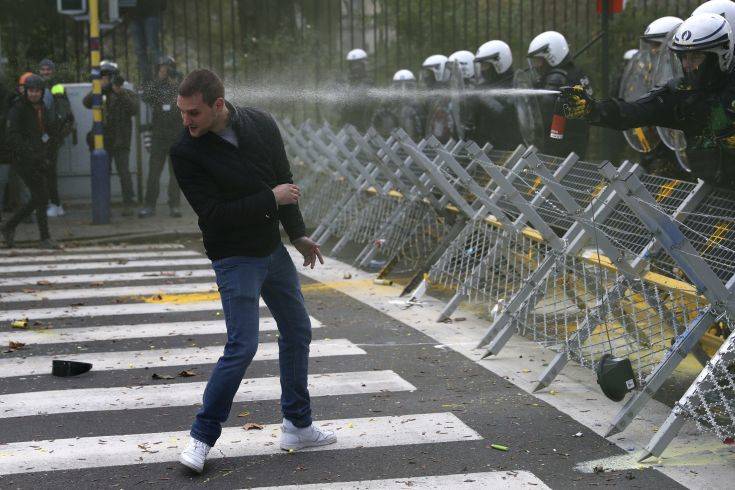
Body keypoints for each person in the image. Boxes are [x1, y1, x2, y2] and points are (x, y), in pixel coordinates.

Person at [170, 69, 335, 474]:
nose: (186, 121)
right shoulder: (185, 151)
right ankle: (201, 436)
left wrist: (297, 235)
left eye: (193, 112)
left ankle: (298, 425)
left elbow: (284, 182)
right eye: (182, 112)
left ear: (218, 105)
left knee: (297, 330)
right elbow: (213, 214)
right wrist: (269, 199)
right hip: (233, 257)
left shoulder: (260, 123)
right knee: (242, 346)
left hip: (272, 251)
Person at [557, 13, 735, 186]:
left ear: (721, 55)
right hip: (708, 191)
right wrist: (592, 109)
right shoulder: (682, 92)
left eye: (696, 57)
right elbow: (635, 111)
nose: (687, 65)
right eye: (683, 57)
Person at [1, 74, 59, 249]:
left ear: (42, 92)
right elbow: (12, 136)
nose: (34, 94)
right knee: (41, 196)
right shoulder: (18, 108)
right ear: (26, 91)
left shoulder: (41, 107)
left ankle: (13, 227)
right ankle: (40, 236)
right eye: (31, 90)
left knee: (40, 197)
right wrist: (30, 153)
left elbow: (43, 131)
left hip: (38, 157)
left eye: (37, 91)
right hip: (23, 159)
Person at [83, 60, 139, 216]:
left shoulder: (125, 93)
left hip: (121, 140)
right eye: (103, 77)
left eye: (108, 77)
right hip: (103, 141)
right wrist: (99, 89)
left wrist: (119, 92)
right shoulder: (99, 93)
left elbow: (134, 109)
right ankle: (103, 204)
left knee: (124, 173)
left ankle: (128, 204)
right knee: (103, 172)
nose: (105, 80)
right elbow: (86, 102)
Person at [527, 30, 592, 158]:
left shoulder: (558, 79)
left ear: (552, 56)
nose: (536, 66)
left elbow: (542, 116)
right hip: (576, 145)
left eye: (538, 61)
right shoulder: (576, 74)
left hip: (558, 150)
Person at [138, 56, 182, 218]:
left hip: (176, 137)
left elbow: (190, 100)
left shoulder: (180, 87)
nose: (164, 70)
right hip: (158, 137)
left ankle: (174, 206)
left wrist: (175, 83)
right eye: (161, 67)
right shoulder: (155, 87)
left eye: (167, 67)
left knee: (175, 174)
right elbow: (144, 96)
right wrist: (159, 79)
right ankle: (149, 205)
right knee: (154, 173)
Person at [39, 59, 76, 217]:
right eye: (43, 69)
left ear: (53, 71)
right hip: (47, 135)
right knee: (46, 171)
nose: (46, 72)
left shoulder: (56, 86)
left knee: (49, 171)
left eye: (48, 69)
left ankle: (54, 204)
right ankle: (53, 204)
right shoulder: (41, 85)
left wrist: (53, 132)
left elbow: (61, 111)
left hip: (51, 136)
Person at [469, 40, 521, 150]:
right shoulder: (483, 87)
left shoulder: (516, 85)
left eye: (485, 65)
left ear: (499, 63)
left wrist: (484, 99)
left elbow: (507, 115)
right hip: (485, 150)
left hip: (509, 151)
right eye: (480, 66)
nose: (481, 70)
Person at [369, 69, 424, 140]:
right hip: (391, 142)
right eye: (398, 86)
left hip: (414, 142)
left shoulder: (418, 105)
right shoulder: (387, 104)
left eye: (408, 86)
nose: (403, 90)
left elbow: (421, 127)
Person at [121, 0, 166, 82]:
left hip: (151, 13)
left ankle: (161, 79)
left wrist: (160, 6)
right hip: (134, 15)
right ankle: (147, 81)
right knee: (140, 51)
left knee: (153, 48)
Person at [340, 48, 374, 132]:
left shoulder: (368, 83)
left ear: (364, 65)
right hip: (347, 124)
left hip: (362, 126)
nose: (354, 68)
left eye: (357, 65)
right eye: (352, 65)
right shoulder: (347, 81)